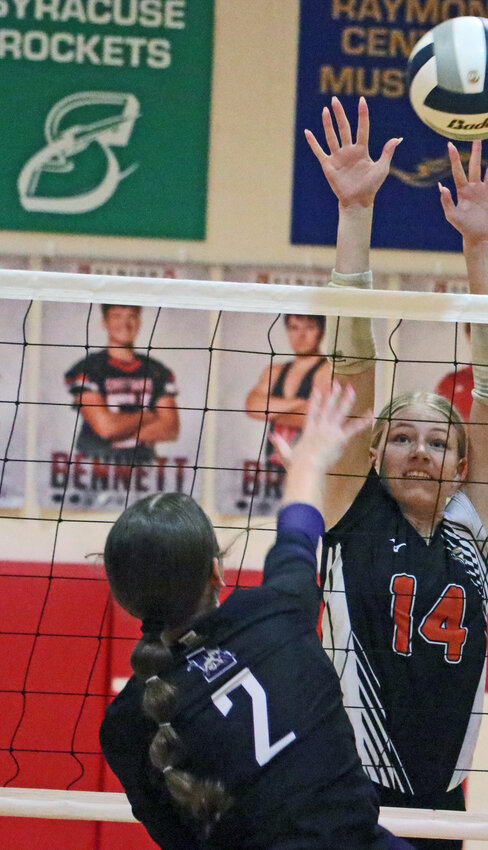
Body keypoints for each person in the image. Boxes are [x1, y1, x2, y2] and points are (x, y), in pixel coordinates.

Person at [305, 96, 488, 849]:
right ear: (374, 451)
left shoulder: (470, 528)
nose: (420, 450)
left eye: (436, 441)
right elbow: (352, 361)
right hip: (349, 792)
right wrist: (354, 215)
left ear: (460, 463)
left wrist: (481, 249)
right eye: (400, 436)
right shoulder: (349, 511)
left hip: (442, 804)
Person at [99, 384, 414, 850]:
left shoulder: (127, 725)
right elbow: (296, 536)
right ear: (216, 572)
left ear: (126, 599)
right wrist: (308, 462)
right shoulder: (272, 613)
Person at [64, 304, 179, 465]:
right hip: (94, 469)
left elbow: (170, 428)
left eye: (131, 316)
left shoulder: (157, 370)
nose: (125, 324)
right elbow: (106, 428)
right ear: (104, 322)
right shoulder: (88, 368)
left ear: (139, 321)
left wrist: (120, 428)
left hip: (141, 471)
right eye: (117, 316)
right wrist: (148, 416)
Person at [245, 313, 332, 466]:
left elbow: (315, 416)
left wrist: (271, 413)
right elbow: (252, 405)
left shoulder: (328, 370)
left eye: (309, 328)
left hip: (310, 468)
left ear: (321, 332)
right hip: (274, 466)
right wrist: (300, 404)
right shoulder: (275, 370)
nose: (301, 335)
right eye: (294, 328)